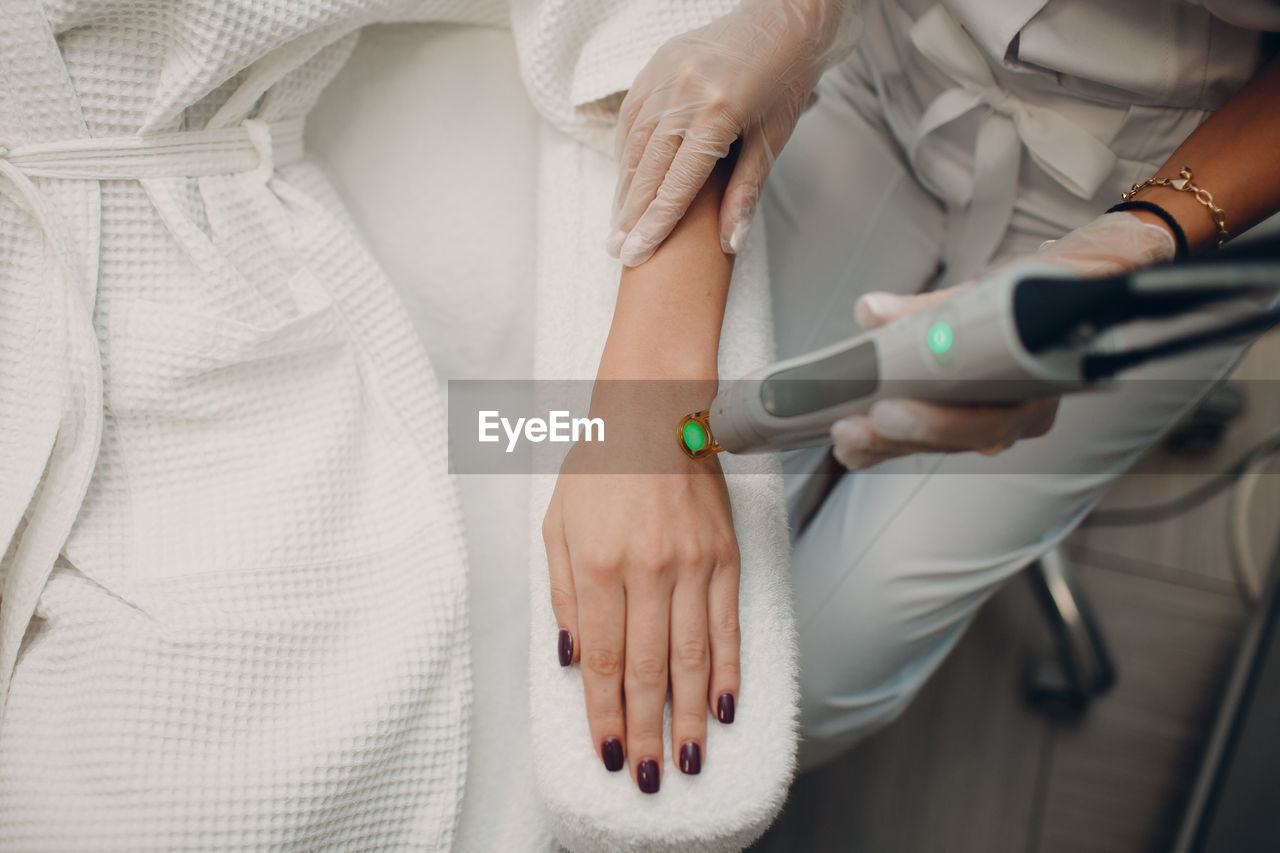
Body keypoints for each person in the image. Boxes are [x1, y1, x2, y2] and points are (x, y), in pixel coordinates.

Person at [553, 0, 1280, 779]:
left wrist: (1136, 243)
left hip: (1186, 190)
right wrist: (797, 16)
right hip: (876, 69)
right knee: (656, 579)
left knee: (807, 684)